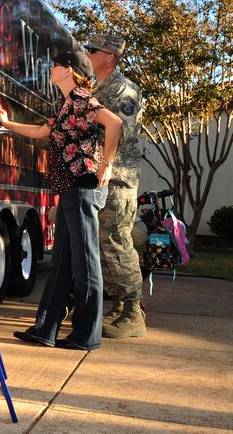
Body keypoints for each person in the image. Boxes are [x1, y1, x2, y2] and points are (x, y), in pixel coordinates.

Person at [0, 51, 121, 350]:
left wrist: (108, 162)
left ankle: (86, 336)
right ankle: (45, 329)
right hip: (69, 190)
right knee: (62, 262)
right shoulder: (67, 105)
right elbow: (42, 131)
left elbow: (114, 123)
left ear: (68, 70)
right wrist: (6, 123)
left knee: (86, 263)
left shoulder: (80, 97)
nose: (50, 68)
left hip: (81, 187)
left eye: (54, 65)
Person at [84, 34, 146, 338]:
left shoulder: (122, 89)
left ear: (109, 56)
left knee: (117, 241)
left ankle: (133, 312)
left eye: (92, 50)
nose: (87, 54)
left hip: (118, 177)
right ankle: (119, 308)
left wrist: (106, 164)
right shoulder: (97, 88)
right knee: (104, 244)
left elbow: (116, 129)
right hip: (101, 176)